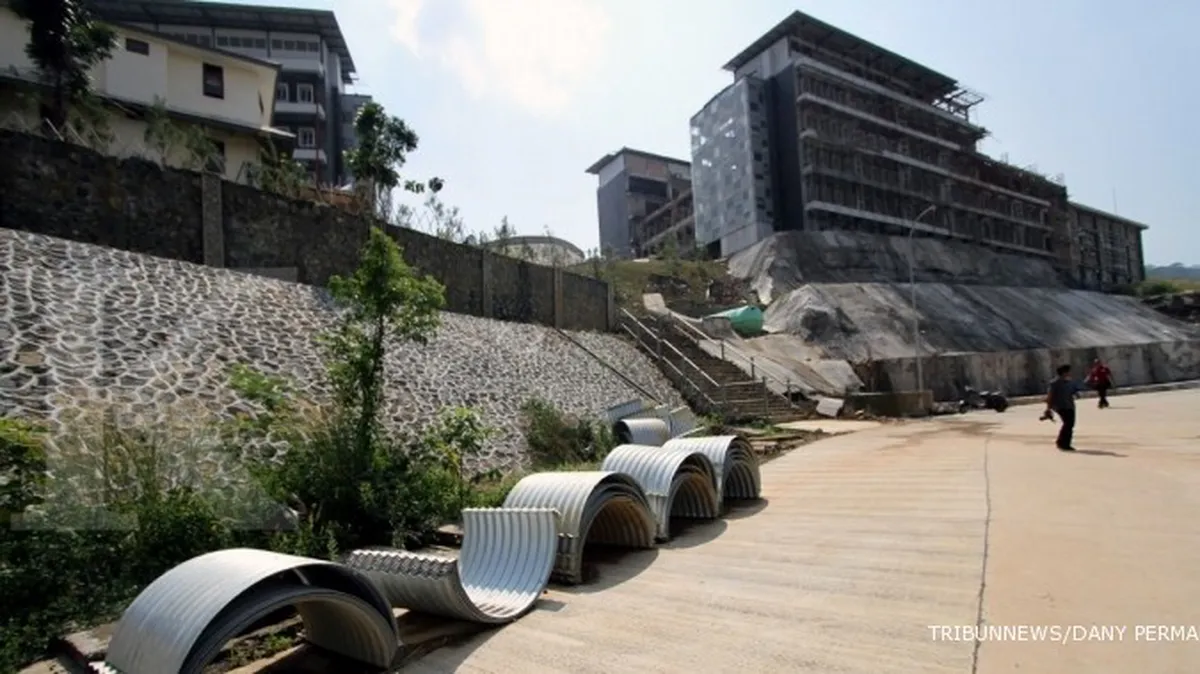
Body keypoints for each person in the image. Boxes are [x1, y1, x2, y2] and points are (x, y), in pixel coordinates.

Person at [1044, 364, 1079, 451]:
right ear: (1064, 372)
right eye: (1068, 372)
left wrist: (1076, 394)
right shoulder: (1054, 383)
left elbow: (1074, 392)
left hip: (1070, 405)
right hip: (1060, 406)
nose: (1070, 373)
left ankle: (1063, 442)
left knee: (1070, 424)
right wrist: (1048, 408)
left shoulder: (1070, 382)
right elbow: (1050, 396)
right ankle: (1063, 443)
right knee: (1068, 423)